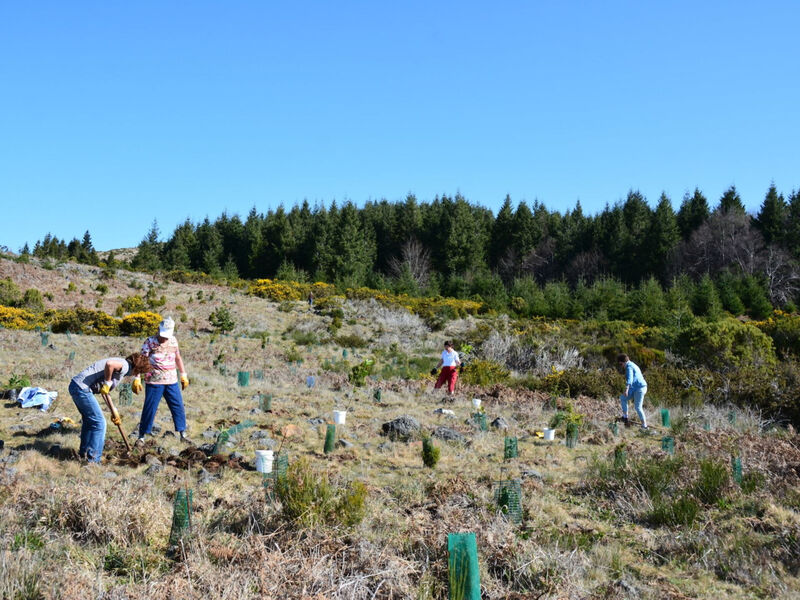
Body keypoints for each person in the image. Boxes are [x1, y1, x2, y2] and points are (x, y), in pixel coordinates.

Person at [68, 353, 151, 462]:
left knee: (90, 422)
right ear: (136, 368)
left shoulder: (122, 366)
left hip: (77, 386)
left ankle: (83, 454)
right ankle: (93, 460)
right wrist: (107, 382)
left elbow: (105, 392)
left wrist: (114, 412)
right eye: (139, 372)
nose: (136, 374)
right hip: (82, 388)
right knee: (99, 423)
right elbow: (109, 364)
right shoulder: (124, 366)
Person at [133, 317, 191, 445]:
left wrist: (183, 374)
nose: (164, 338)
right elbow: (141, 361)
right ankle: (141, 436)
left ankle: (183, 434)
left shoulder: (173, 341)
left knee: (178, 406)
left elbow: (178, 358)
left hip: (171, 380)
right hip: (154, 381)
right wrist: (137, 378)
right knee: (150, 408)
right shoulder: (149, 342)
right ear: (159, 329)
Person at [617, 353, 648, 429]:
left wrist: (627, 389)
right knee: (623, 398)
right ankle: (625, 417)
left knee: (638, 407)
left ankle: (644, 426)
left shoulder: (629, 367)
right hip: (634, 388)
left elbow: (630, 379)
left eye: (621, 364)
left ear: (624, 362)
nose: (621, 366)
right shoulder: (632, 364)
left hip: (640, 388)